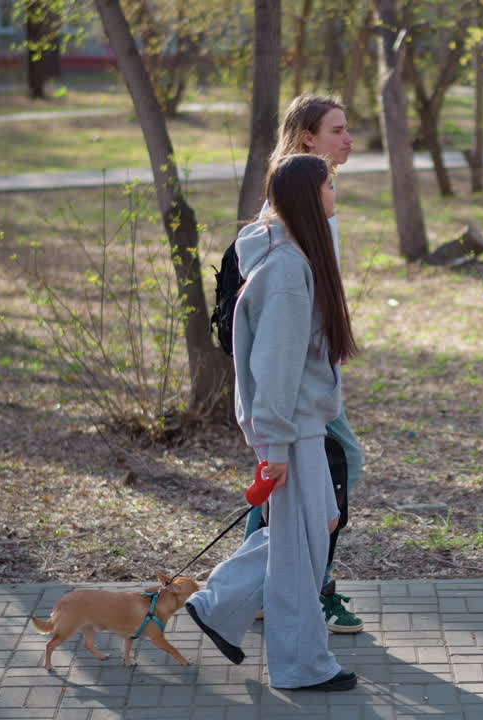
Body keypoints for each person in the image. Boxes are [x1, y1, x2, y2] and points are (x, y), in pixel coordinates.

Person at [186, 153, 359, 692]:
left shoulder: (292, 255)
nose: (335, 195)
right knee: (299, 554)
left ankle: (218, 605)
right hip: (293, 429)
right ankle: (302, 665)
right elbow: (276, 367)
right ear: (310, 197)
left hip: (302, 424)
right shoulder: (286, 270)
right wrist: (276, 449)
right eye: (330, 187)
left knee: (315, 526)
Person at [244, 93, 365, 635]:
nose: (348, 139)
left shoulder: (317, 197)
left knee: (294, 480)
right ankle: (306, 585)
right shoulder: (295, 205)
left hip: (314, 372)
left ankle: (271, 586)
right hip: (299, 381)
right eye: (337, 129)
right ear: (308, 137)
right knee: (334, 467)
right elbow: (282, 322)